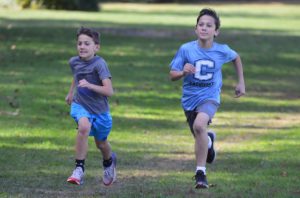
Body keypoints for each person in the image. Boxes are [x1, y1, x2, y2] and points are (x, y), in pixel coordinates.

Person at [169, 8, 245, 189]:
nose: (204, 28)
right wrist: (182, 72)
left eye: (209, 25)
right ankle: (209, 141)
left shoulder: (222, 50)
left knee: (199, 126)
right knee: (199, 135)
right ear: (196, 29)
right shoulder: (186, 49)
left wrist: (241, 82)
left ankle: (200, 173)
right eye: (201, 25)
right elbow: (172, 75)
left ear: (216, 31)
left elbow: (236, 58)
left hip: (210, 97)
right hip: (189, 100)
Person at [65, 27, 117, 186]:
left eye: (87, 43)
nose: (82, 46)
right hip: (80, 104)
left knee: (101, 143)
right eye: (79, 43)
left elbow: (109, 91)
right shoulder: (74, 61)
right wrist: (71, 92)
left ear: (96, 47)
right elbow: (77, 76)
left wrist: (90, 85)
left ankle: (109, 162)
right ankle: (79, 169)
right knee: (83, 127)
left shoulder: (100, 64)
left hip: (100, 111)